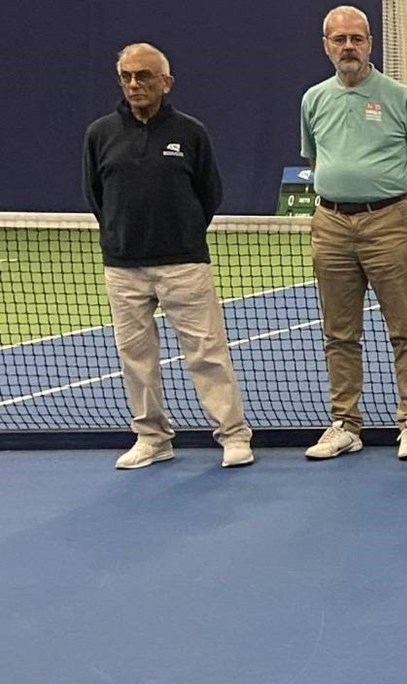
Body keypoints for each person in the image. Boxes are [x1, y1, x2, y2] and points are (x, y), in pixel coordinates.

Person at [82, 42, 253, 469]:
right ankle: (152, 437)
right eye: (127, 76)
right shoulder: (99, 134)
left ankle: (233, 435)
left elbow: (208, 193)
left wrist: (183, 236)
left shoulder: (190, 132)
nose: (134, 84)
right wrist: (122, 238)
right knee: (135, 360)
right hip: (123, 268)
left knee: (208, 354)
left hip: (184, 264)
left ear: (166, 82)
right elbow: (96, 196)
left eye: (144, 76)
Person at [300, 4, 407, 461]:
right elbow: (316, 161)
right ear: (326, 46)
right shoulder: (313, 99)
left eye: (356, 38)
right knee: (339, 333)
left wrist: (385, 203)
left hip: (389, 224)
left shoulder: (402, 97)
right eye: (339, 40)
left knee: (406, 328)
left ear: (370, 43)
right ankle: (345, 424)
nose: (348, 47)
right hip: (331, 226)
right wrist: (344, 195)